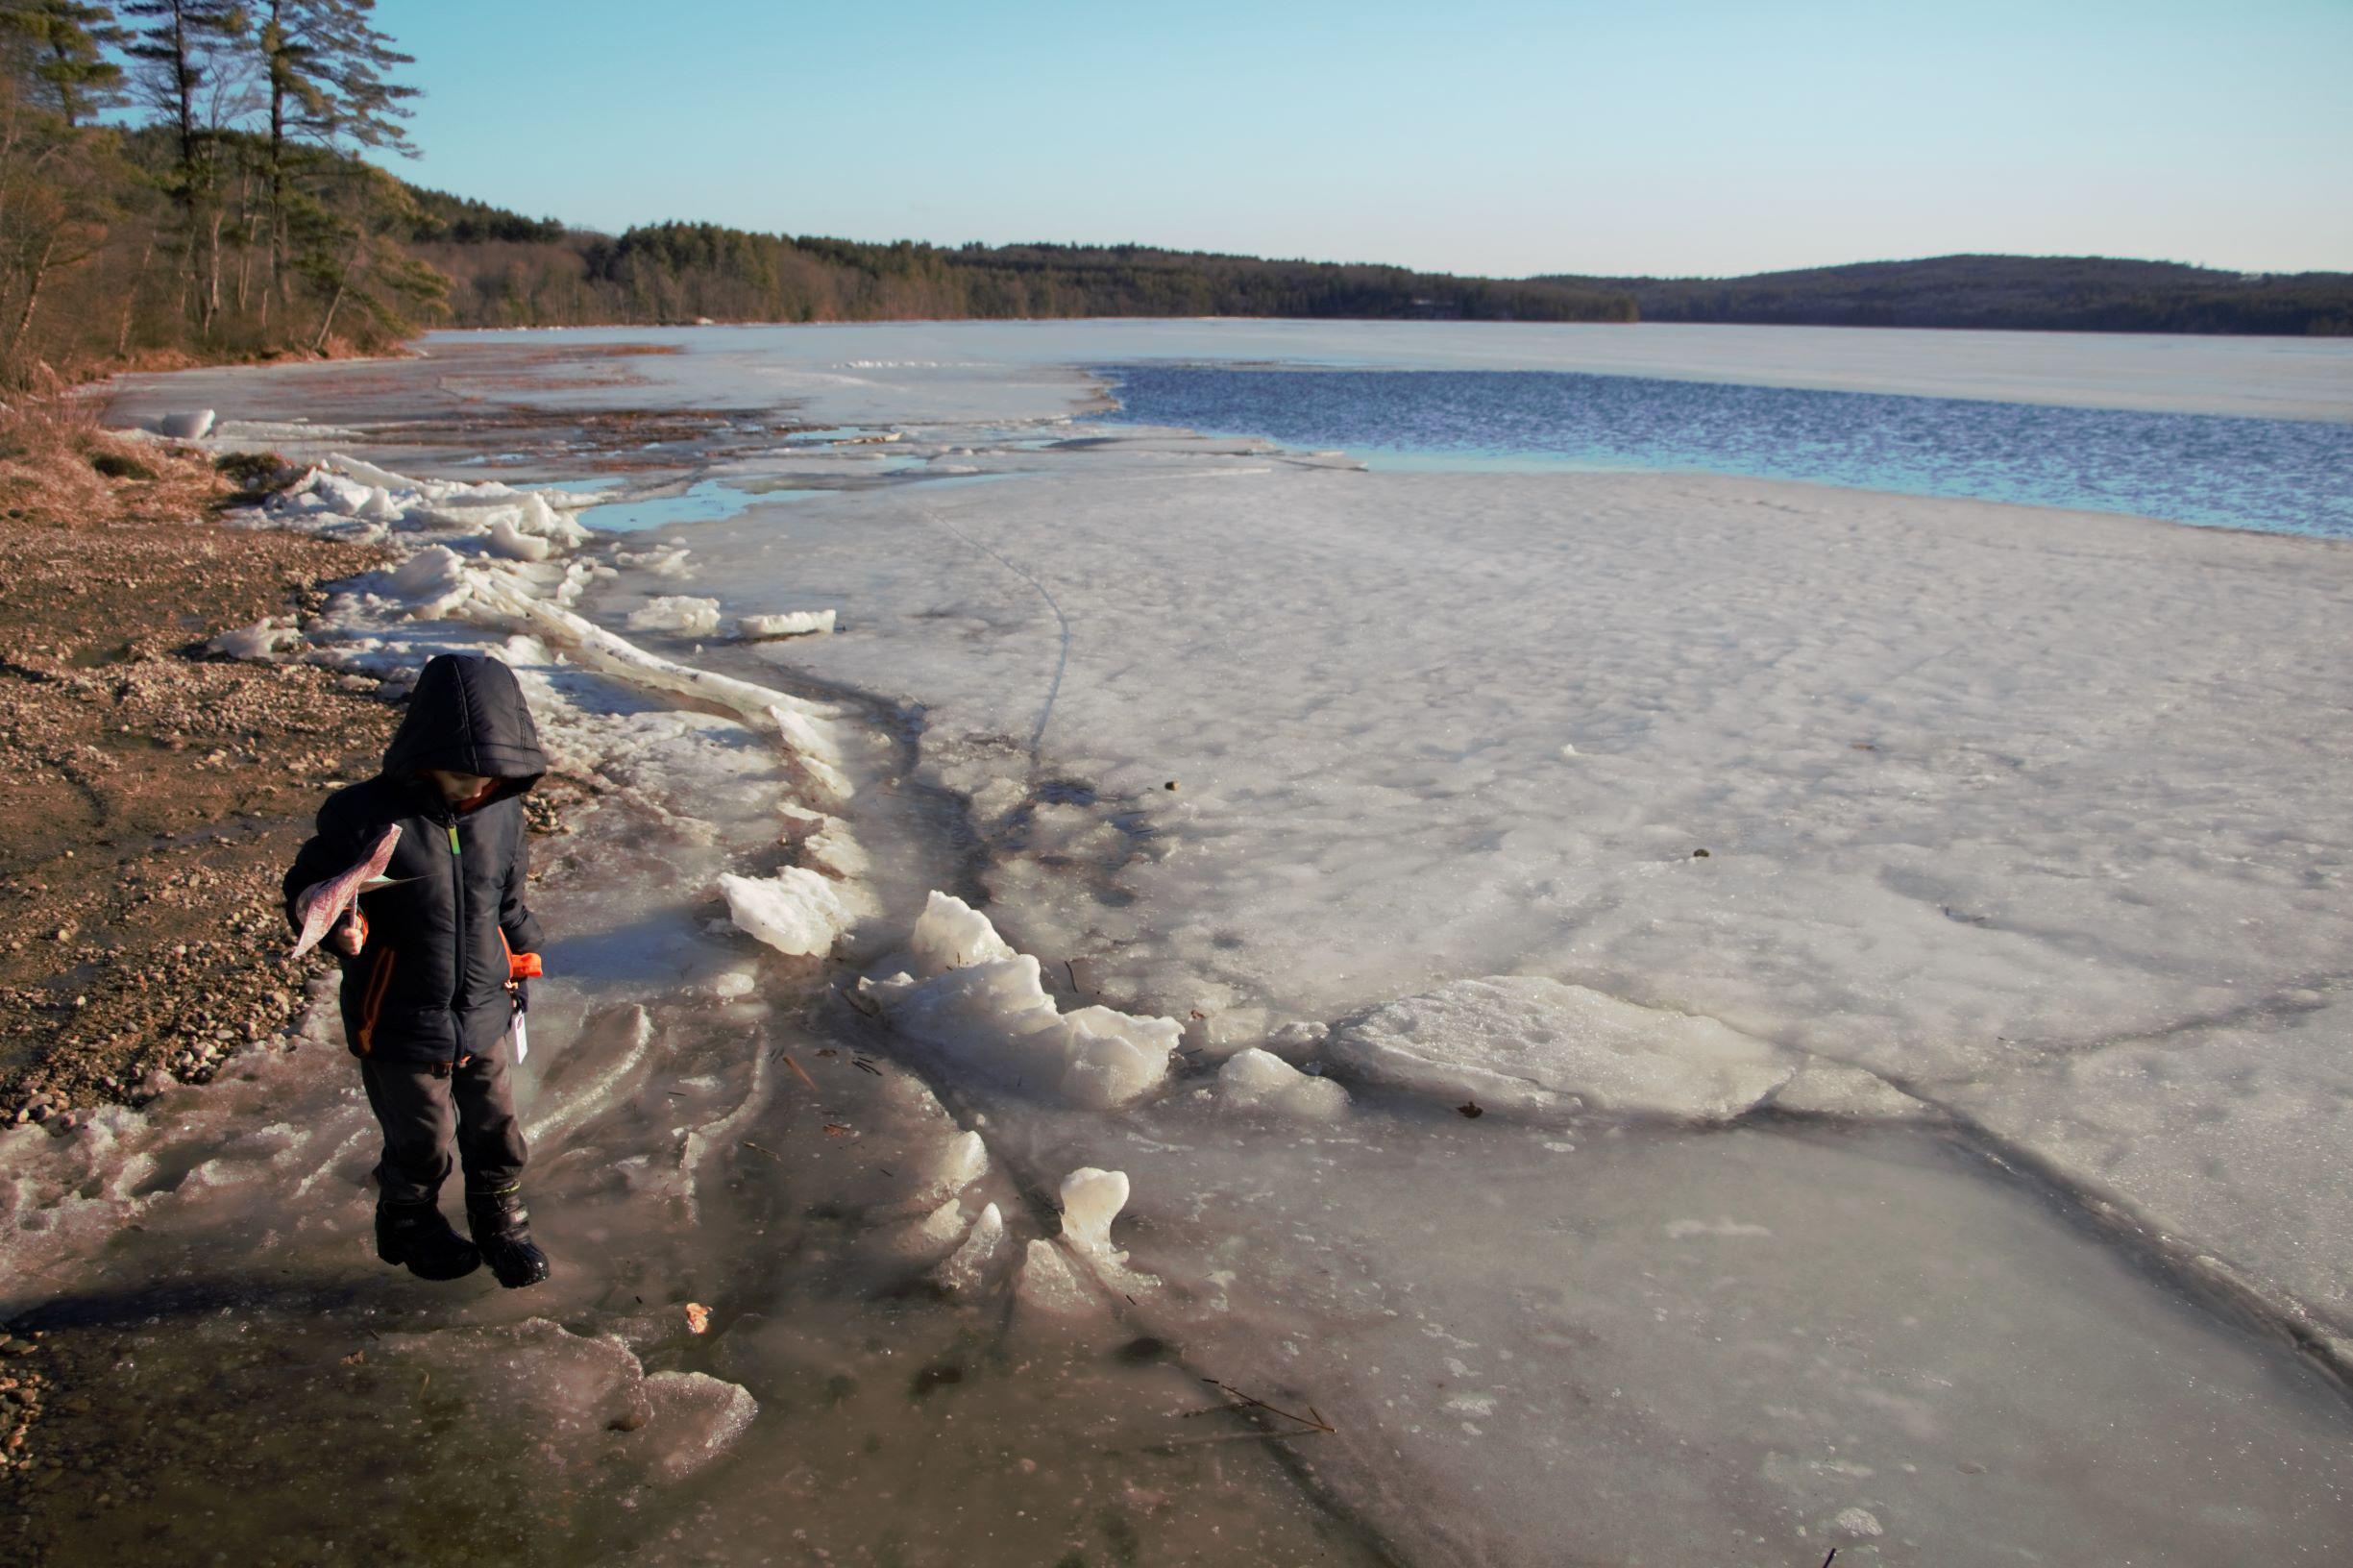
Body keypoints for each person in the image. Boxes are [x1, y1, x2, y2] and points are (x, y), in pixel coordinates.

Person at [283, 652, 551, 1287]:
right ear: (422, 754)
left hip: (485, 1005)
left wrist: (523, 952)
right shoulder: (362, 814)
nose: (476, 789)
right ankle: (408, 1222)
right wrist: (333, 925)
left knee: (497, 1131)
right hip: (399, 1017)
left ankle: (500, 1220)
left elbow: (505, 900)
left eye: (491, 776)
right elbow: (312, 888)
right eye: (462, 776)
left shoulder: (502, 813)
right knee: (421, 1142)